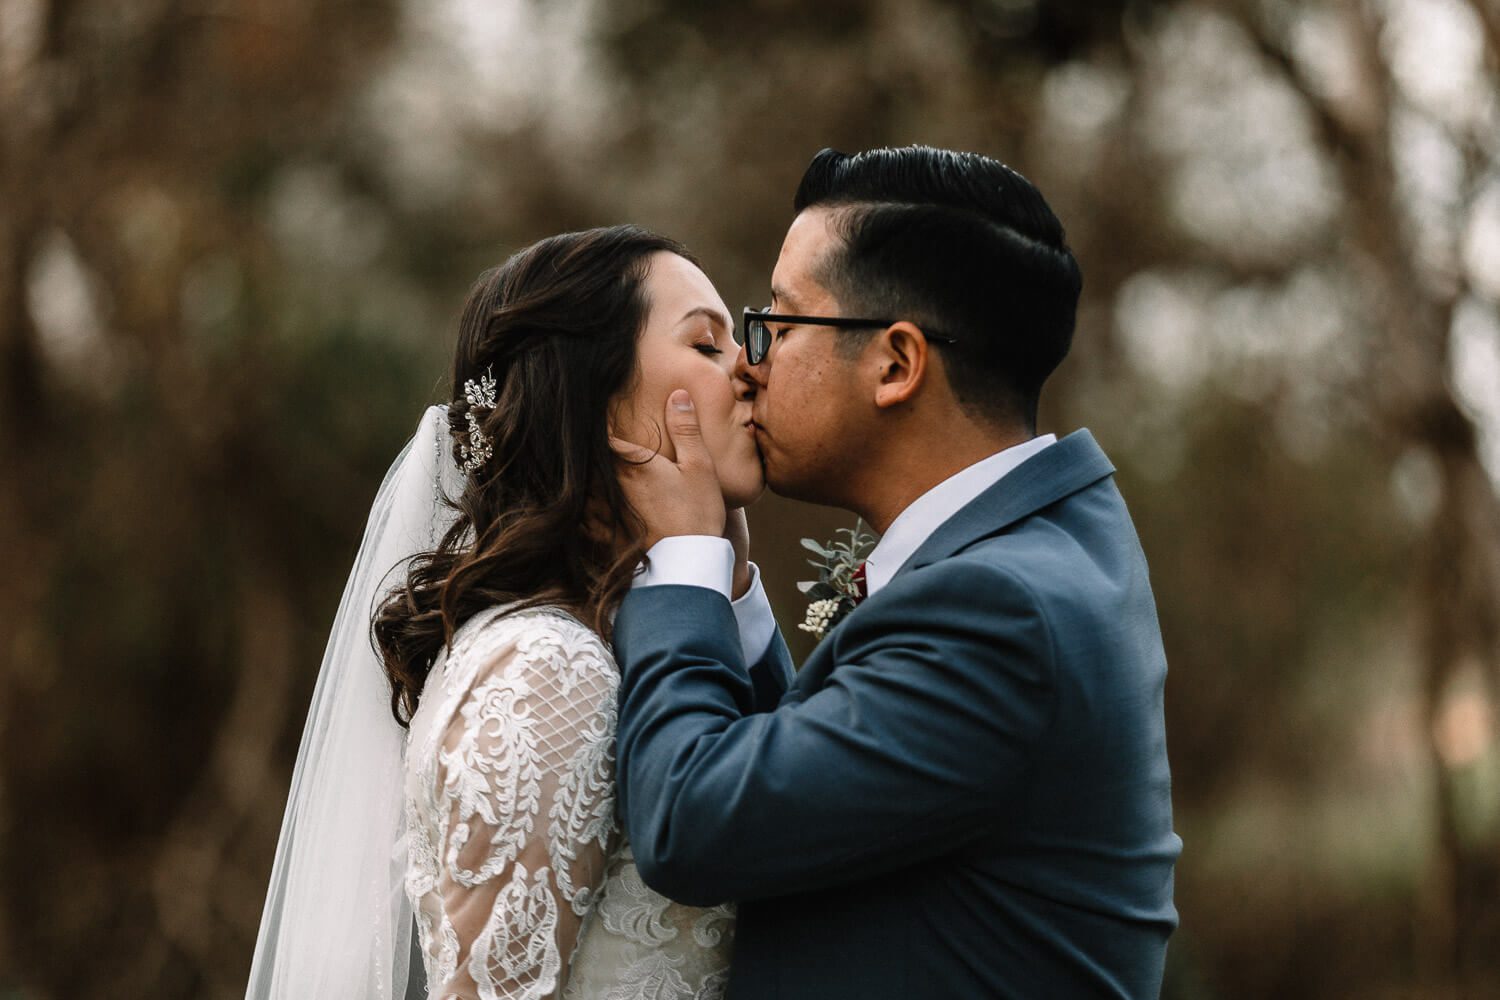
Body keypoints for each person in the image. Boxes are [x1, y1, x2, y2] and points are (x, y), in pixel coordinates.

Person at [609, 146, 1182, 998]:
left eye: (782, 322)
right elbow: (823, 781)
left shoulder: (999, 611)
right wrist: (732, 590)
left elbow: (691, 822)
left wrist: (684, 562)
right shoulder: (1045, 549)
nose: (751, 365)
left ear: (896, 364)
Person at [245, 225, 789, 1000]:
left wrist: (719, 576)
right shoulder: (547, 671)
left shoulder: (619, 643)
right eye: (706, 346)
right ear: (596, 405)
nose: (749, 368)